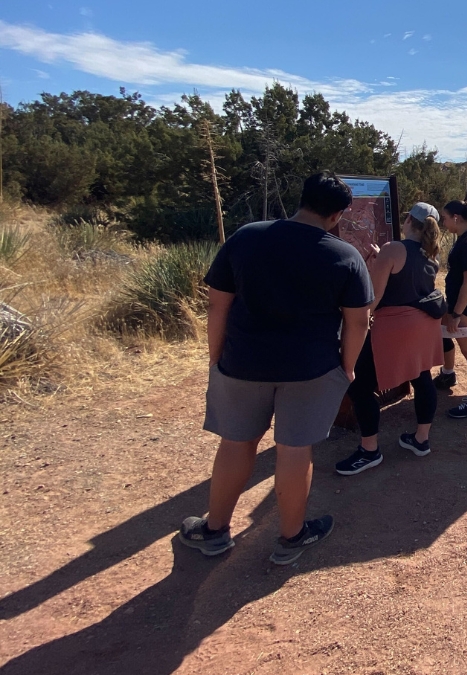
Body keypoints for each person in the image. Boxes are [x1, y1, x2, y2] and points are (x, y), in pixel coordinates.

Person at [180, 171, 372, 565]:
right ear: (337, 215)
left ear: (299, 200)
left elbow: (217, 304)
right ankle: (291, 537)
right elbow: (358, 322)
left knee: (236, 443)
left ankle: (214, 530)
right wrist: (347, 368)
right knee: (295, 450)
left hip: (242, 361)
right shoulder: (344, 256)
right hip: (312, 369)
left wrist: (215, 358)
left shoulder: (247, 237)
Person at [334, 203, 444, 475]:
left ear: (408, 220)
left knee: (360, 386)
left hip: (395, 327)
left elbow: (374, 296)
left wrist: (353, 323)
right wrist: (381, 258)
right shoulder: (432, 255)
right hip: (423, 326)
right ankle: (421, 439)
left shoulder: (393, 249)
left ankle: (369, 450)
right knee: (422, 377)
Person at [434, 199, 467, 419]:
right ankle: (448, 374)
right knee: (444, 333)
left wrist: (456, 314)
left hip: (464, 307)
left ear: (456, 217)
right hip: (458, 303)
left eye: (445, 218)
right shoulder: (465, 239)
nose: (444, 223)